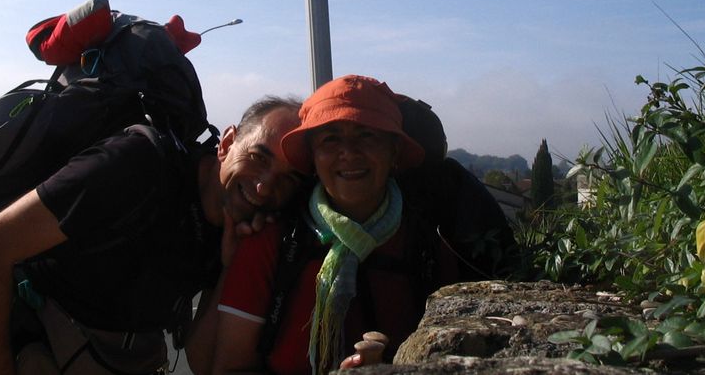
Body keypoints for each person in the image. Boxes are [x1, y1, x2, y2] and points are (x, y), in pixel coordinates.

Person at [0, 94, 305, 375]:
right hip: (42, 344)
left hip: (127, 358)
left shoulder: (230, 231)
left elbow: (201, 361)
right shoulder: (138, 165)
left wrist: (230, 268)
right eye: (258, 157)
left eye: (286, 180)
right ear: (227, 143)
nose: (263, 187)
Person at [206, 75, 517, 375]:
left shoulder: (430, 242)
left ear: (394, 151)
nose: (348, 152)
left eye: (367, 135)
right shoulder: (273, 243)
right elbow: (231, 367)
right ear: (312, 157)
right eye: (330, 138)